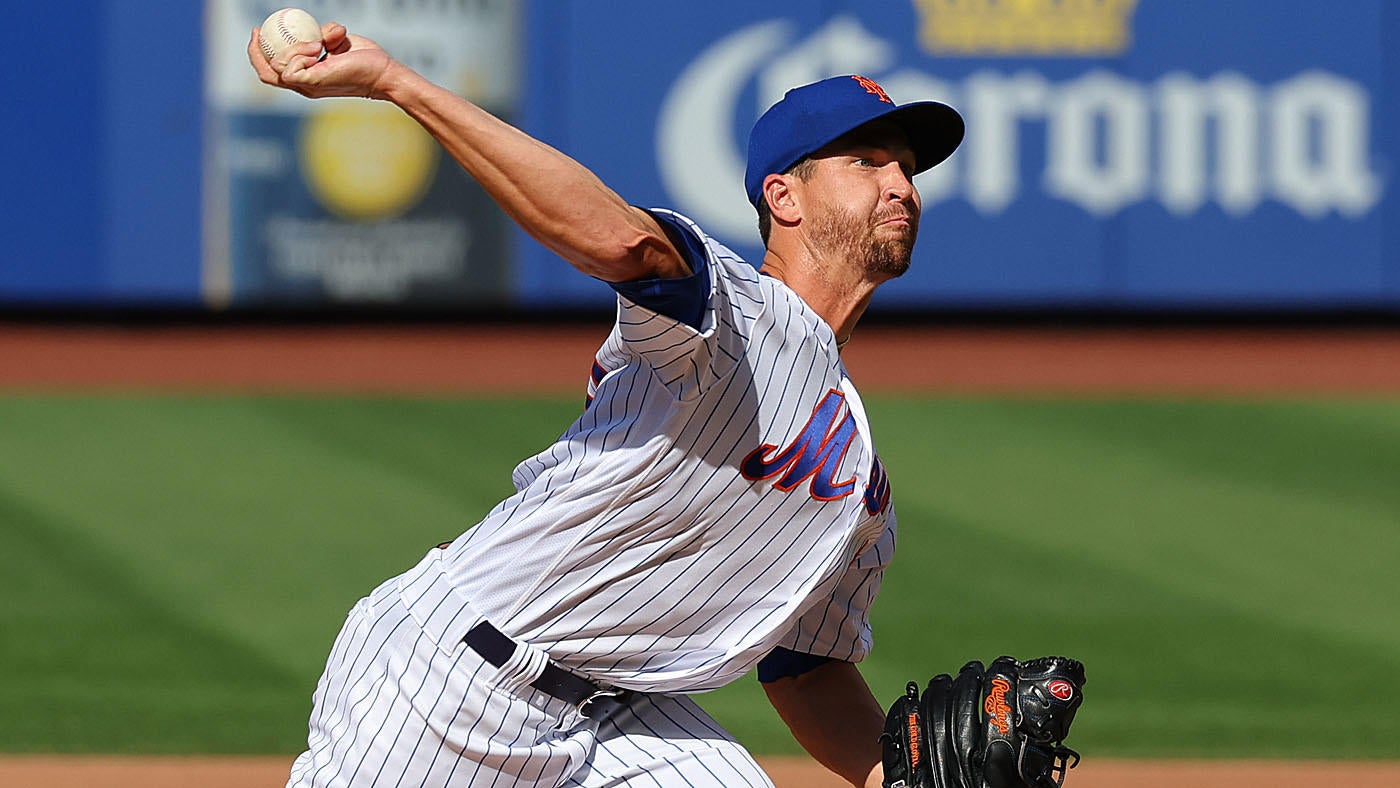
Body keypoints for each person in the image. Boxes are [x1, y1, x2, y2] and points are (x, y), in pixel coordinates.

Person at [250, 17, 963, 788]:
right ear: (783, 196)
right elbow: (627, 246)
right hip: (450, 686)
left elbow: (806, 670)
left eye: (908, 169)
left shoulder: (860, 483)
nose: (901, 185)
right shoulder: (733, 312)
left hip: (622, 709)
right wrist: (397, 84)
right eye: (866, 161)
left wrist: (908, 775)